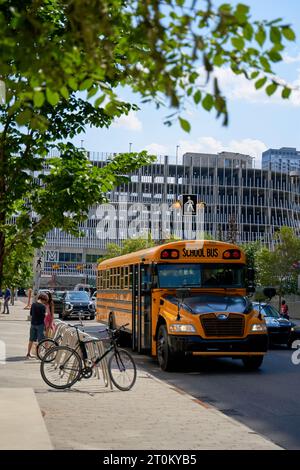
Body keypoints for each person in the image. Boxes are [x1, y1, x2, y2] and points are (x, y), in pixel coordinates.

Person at [26, 292, 48, 358]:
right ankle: (38, 355)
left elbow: (31, 314)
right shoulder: (43, 306)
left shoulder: (33, 304)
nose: (45, 302)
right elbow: (44, 316)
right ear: (43, 299)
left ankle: (28, 353)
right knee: (40, 340)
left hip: (33, 324)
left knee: (31, 339)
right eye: (45, 301)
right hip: (40, 324)